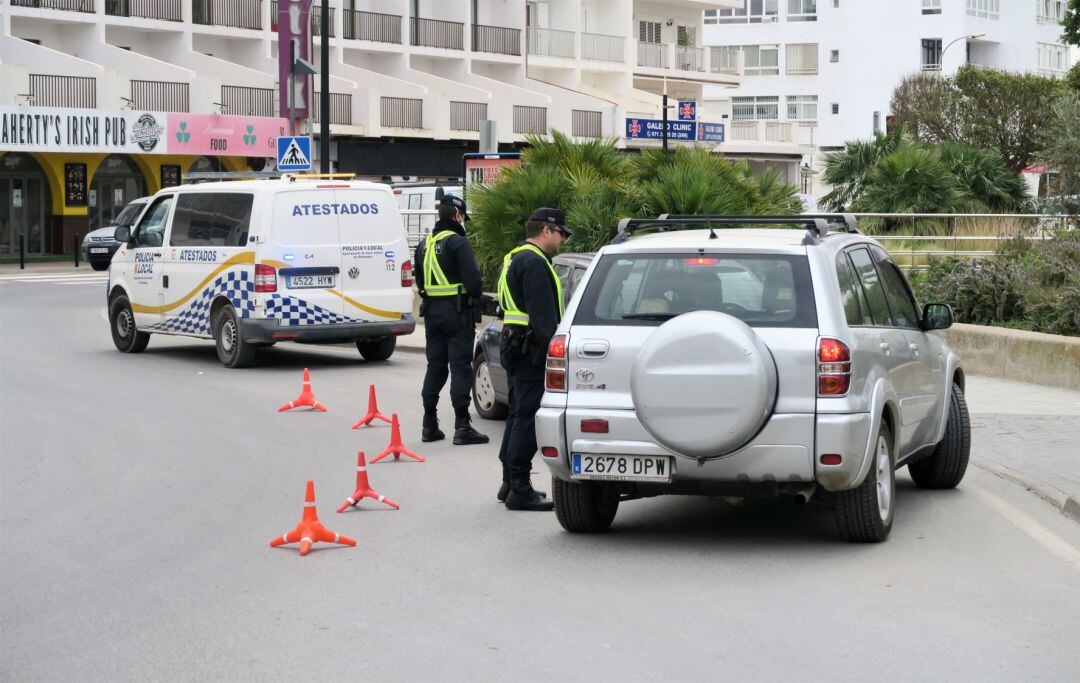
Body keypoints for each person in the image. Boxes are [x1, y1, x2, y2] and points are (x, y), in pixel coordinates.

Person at [496, 208, 570, 511]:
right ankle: (519, 488)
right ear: (546, 230)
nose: (563, 238)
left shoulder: (515, 256)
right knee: (526, 417)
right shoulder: (535, 263)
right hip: (530, 350)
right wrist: (557, 354)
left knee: (517, 413)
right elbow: (543, 321)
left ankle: (508, 482)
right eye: (561, 232)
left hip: (515, 345)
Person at [415, 194, 488, 446]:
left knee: (435, 366)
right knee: (460, 367)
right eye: (463, 217)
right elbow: (474, 284)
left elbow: (421, 282)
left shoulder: (424, 244)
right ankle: (462, 425)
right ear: (457, 216)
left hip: (432, 315)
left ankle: (429, 423)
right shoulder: (458, 243)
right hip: (458, 314)